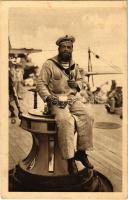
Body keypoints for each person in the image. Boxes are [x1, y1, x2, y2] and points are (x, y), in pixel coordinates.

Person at [37, 35, 93, 175]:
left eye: (69, 47)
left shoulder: (75, 65)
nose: (66, 50)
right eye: (64, 47)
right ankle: (70, 159)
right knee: (65, 121)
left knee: (88, 116)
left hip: (72, 99)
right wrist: (49, 98)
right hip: (56, 100)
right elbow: (40, 84)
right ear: (59, 48)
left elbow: (80, 80)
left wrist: (77, 85)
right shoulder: (49, 64)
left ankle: (81, 152)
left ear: (72, 49)